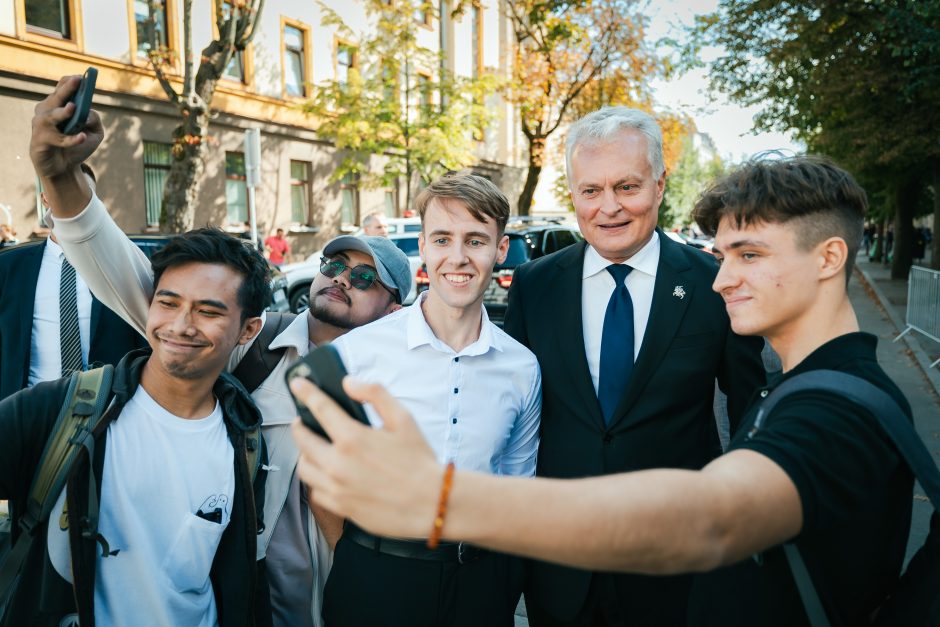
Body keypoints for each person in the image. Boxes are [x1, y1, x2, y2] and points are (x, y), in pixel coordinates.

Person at [290, 155, 914, 627]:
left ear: (830, 258)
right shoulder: (805, 391)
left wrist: (444, 500)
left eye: (748, 254)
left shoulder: (834, 409)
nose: (721, 279)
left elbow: (712, 520)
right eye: (723, 255)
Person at [30, 74, 412, 627]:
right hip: (246, 588)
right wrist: (60, 178)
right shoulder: (250, 340)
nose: (339, 279)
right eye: (333, 264)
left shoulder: (398, 379)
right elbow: (119, 268)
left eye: (363, 277)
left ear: (394, 307)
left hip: (344, 589)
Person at [502, 106, 766, 626]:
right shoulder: (535, 285)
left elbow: (749, 408)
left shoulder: (715, 284)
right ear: (573, 193)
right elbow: (512, 409)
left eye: (627, 186)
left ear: (660, 183)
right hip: (560, 558)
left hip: (674, 558)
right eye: (590, 190)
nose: (609, 208)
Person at [0, 227, 273, 627]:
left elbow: (241, 578)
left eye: (208, 311)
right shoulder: (61, 410)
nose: (180, 325)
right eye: (168, 302)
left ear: (248, 330)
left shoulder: (245, 439)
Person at [319, 172, 541, 627]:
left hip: (480, 583)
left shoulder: (522, 367)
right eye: (442, 238)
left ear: (500, 251)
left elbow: (517, 486)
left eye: (476, 241)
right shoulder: (356, 352)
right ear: (423, 246)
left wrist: (503, 578)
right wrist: (361, 556)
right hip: (374, 577)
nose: (457, 257)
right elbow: (322, 477)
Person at [0, 164, 146, 401]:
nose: (75, 204)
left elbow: (144, 341)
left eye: (85, 196)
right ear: (45, 198)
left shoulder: (122, 264)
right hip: (27, 409)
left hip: (106, 408)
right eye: (64, 193)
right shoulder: (8, 268)